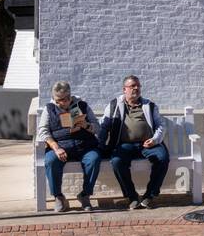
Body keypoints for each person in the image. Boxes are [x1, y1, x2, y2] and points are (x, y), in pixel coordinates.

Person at [99, 75, 170, 209]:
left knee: (162, 158)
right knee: (117, 162)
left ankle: (150, 195)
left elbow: (161, 125)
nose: (136, 88)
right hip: (125, 145)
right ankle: (132, 196)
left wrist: (155, 140)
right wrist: (100, 145)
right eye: (133, 86)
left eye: (138, 86)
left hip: (148, 143)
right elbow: (104, 125)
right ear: (124, 89)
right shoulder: (114, 104)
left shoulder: (149, 105)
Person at [36, 80, 104, 212]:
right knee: (51, 160)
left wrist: (86, 125)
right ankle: (59, 197)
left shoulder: (81, 105)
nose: (62, 103)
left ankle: (85, 195)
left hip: (84, 146)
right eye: (58, 100)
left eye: (65, 99)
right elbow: (43, 131)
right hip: (60, 146)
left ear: (70, 96)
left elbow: (97, 128)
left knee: (94, 159)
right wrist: (56, 147)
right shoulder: (49, 109)